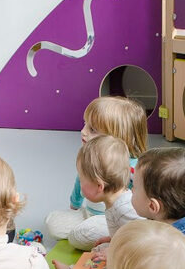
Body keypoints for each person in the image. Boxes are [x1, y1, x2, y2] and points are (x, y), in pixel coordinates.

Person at [51, 136, 144, 269]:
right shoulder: (114, 204)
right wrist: (113, 242)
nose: (79, 182)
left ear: (99, 186)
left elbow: (145, 254)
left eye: (82, 179)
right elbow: (126, 240)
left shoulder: (127, 210)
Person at [45, 96, 148, 251]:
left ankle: (113, 238)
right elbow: (80, 180)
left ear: (116, 138)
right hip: (87, 213)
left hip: (114, 220)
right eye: (85, 124)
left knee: (80, 236)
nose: (83, 132)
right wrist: (74, 206)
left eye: (92, 129)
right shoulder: (89, 156)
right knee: (52, 223)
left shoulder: (133, 167)